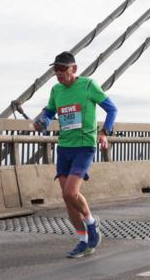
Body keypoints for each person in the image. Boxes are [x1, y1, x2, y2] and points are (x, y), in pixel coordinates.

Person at [33, 51, 118, 258]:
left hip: (84, 146)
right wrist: (42, 120)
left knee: (71, 192)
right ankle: (83, 240)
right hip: (64, 147)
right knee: (66, 198)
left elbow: (112, 109)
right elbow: (51, 112)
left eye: (63, 68)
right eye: (55, 69)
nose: (59, 73)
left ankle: (91, 223)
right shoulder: (56, 90)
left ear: (74, 69)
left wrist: (104, 132)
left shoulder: (89, 85)